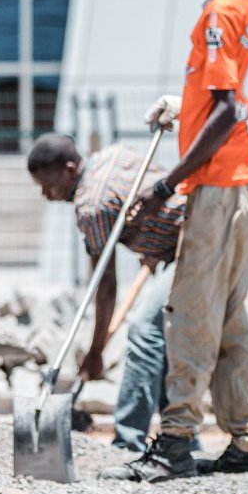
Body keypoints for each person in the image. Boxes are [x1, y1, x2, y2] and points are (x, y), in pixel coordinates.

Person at [110, 0, 248, 482]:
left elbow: (232, 108)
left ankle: (176, 441)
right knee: (228, 318)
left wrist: (165, 183)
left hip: (221, 190)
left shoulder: (219, 14)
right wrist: (190, 108)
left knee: (189, 316)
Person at [27, 132, 187, 453]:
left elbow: (105, 285)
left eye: (49, 185)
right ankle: (182, 439)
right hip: (191, 231)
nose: (45, 195)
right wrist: (155, 240)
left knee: (143, 331)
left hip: (194, 243)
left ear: (70, 170)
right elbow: (145, 194)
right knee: (165, 336)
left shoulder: (91, 206)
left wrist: (96, 350)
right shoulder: (111, 155)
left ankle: (127, 442)